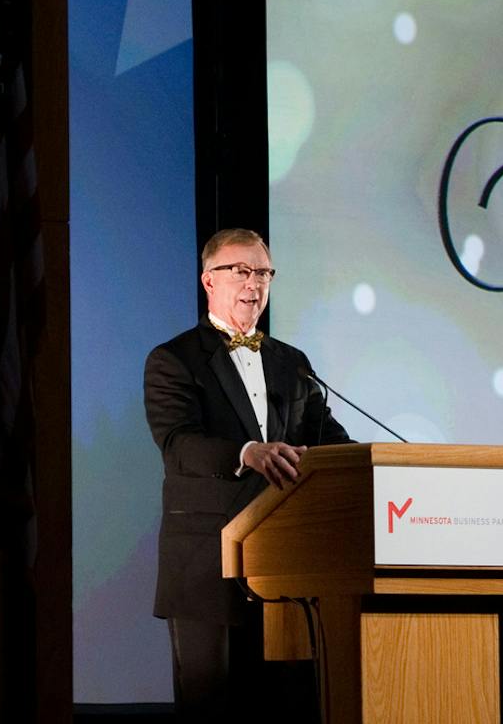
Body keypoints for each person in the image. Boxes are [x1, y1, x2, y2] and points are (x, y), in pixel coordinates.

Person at [144, 228, 350, 718]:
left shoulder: (290, 363)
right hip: (205, 564)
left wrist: (376, 467)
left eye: (264, 272)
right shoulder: (173, 360)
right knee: (210, 707)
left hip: (284, 563)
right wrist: (248, 451)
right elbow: (178, 446)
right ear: (208, 280)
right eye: (241, 270)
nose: (254, 282)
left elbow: (331, 440)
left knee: (286, 705)